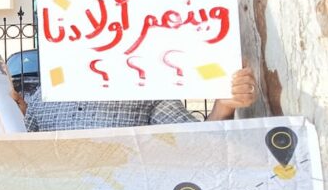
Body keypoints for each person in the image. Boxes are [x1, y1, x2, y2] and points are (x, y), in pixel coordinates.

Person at [24, 66, 258, 131]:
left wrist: (223, 107)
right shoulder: (42, 97)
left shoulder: (144, 91)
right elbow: (14, 160)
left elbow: (197, 146)